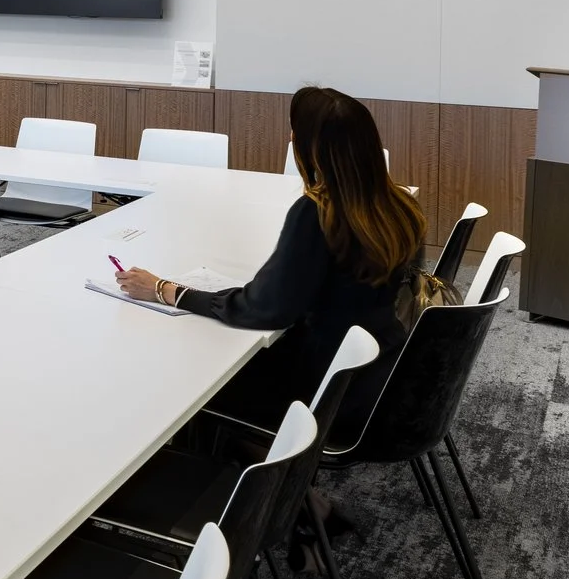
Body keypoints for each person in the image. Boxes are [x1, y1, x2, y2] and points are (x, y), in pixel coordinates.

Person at [115, 86, 420, 446]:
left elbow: (264, 309)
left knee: (193, 371)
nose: (290, 137)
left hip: (324, 391)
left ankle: (220, 470)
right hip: (379, 372)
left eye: (294, 132)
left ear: (310, 148)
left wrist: (165, 290)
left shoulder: (319, 214)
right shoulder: (400, 205)